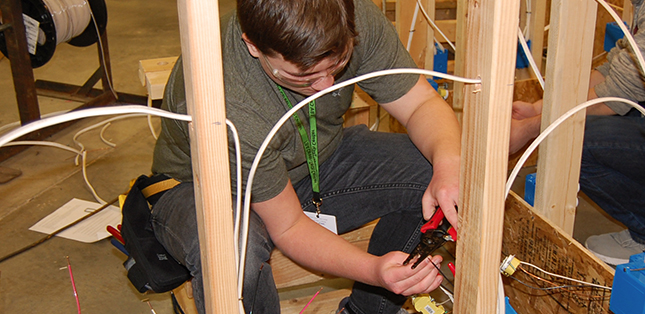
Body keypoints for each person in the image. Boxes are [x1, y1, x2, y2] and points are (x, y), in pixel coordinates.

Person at [149, 0, 462, 313]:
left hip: (304, 166)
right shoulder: (228, 104)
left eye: (337, 64)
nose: (325, 85)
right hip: (204, 187)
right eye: (304, 75)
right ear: (253, 46)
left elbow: (421, 104)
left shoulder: (348, 19)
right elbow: (289, 227)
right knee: (235, 252)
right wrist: (374, 271)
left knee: (432, 168)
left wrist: (448, 167)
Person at [509, 0, 645, 266]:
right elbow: (613, 71)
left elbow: (615, 97)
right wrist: (537, 108)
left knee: (575, 140)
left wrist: (530, 129)